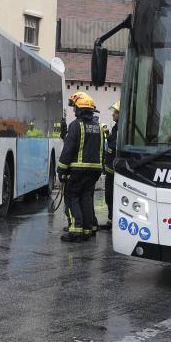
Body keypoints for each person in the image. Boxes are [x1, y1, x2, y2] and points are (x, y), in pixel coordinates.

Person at [57, 93, 105, 242]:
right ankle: (87, 228)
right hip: (95, 170)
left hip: (77, 170)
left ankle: (76, 230)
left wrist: (61, 170)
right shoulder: (99, 127)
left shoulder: (76, 125)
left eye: (75, 108)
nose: (73, 111)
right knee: (86, 198)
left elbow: (69, 149)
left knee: (72, 197)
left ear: (80, 110)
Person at [100, 100, 119, 231]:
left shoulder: (122, 128)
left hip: (113, 170)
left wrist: (108, 140)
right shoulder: (116, 127)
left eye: (115, 112)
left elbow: (114, 146)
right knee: (109, 196)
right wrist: (107, 135)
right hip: (111, 169)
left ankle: (113, 221)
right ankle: (111, 220)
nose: (113, 114)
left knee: (111, 195)